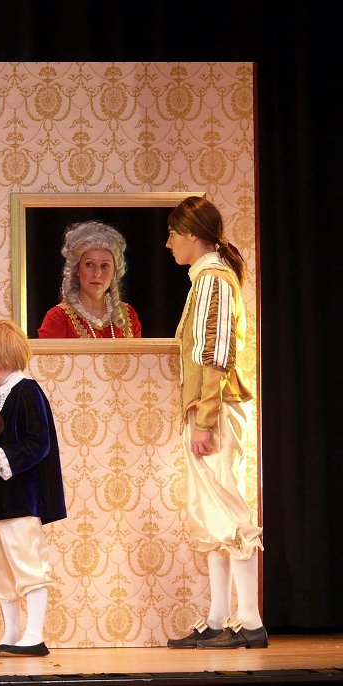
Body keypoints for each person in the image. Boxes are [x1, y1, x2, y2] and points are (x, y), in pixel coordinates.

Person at [163, 196, 266, 649]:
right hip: (208, 409)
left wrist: (204, 419)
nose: (168, 244)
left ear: (191, 235)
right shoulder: (206, 278)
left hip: (218, 409)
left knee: (229, 508)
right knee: (211, 513)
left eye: (172, 235)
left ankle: (250, 622)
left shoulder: (214, 280)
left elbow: (215, 354)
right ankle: (219, 618)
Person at [0, 319, 67, 657]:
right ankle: (11, 632)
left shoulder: (26, 391)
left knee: (27, 563)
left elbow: (39, 442)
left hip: (22, 497)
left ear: (7, 358)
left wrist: (0, 458)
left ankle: (34, 634)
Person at [37, 220, 142, 339]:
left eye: (105, 266)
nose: (97, 274)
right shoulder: (58, 318)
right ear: (77, 269)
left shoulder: (128, 315)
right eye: (89, 264)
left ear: (114, 272)